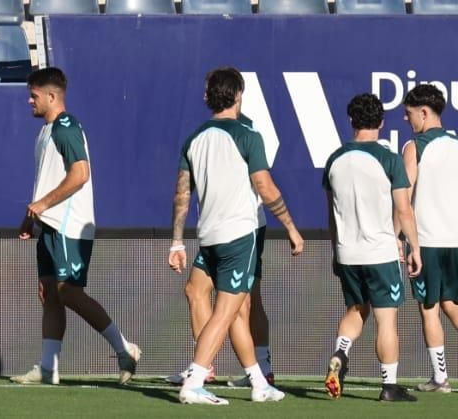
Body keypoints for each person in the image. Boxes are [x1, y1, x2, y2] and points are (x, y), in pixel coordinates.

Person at [169, 67, 303, 406]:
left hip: (211, 236)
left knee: (217, 300)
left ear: (207, 97)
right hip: (237, 235)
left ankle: (259, 382)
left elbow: (182, 195)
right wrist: (290, 227)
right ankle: (197, 378)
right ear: (239, 96)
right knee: (227, 310)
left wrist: (177, 241)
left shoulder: (195, 138)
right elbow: (266, 187)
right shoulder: (246, 135)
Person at [12, 67, 139, 385]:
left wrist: (43, 205)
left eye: (34, 95)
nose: (30, 101)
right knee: (50, 295)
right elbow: (48, 179)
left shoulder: (66, 126)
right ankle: (47, 368)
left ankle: (125, 349)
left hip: (69, 224)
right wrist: (33, 216)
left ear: (51, 96)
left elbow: (80, 173)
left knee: (69, 293)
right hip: (50, 224)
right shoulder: (47, 131)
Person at [323, 92, 420, 403]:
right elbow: (404, 210)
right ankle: (389, 386)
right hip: (380, 252)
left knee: (355, 310)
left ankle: (341, 352)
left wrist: (336, 250)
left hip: (348, 252)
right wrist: (414, 248)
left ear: (351, 121)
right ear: (381, 122)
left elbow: (331, 213)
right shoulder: (388, 158)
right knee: (386, 319)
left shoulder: (335, 159)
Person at [170, 108, 276, 390]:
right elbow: (184, 190)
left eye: (211, 89)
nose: (206, 95)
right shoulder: (199, 135)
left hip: (244, 229)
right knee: (196, 290)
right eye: (206, 90)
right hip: (214, 232)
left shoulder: (247, 132)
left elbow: (262, 183)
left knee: (241, 304)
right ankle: (209, 369)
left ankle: (258, 372)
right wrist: (177, 242)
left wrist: (290, 227)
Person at [403, 83, 458, 393]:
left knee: (430, 307)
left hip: (428, 240)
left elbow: (405, 195)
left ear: (424, 113)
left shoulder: (415, 146)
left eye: (410, 114)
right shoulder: (456, 144)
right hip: (456, 239)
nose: (407, 120)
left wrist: (402, 237)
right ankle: (439, 378)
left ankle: (440, 379)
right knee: (451, 304)